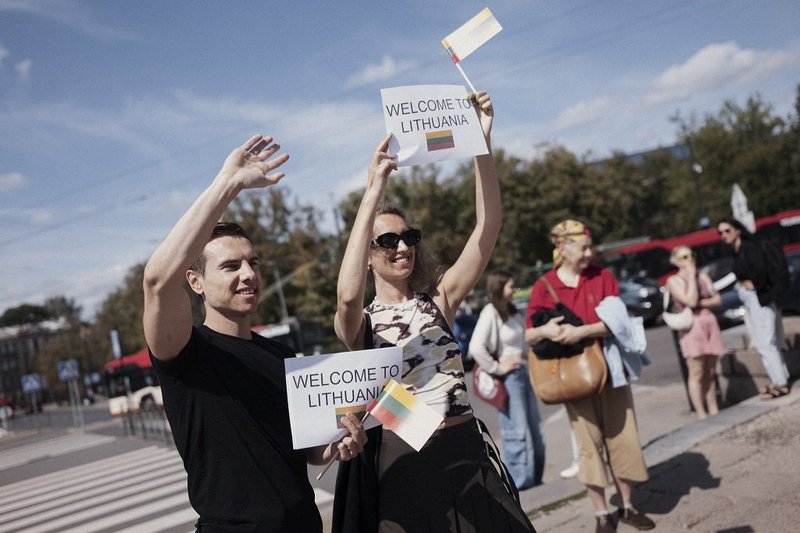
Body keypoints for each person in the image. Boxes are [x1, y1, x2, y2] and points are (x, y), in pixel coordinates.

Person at [142, 134, 366, 532]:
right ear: (195, 281)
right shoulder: (183, 352)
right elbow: (158, 281)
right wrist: (227, 184)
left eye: (254, 263)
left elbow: (310, 447)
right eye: (230, 267)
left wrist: (338, 444)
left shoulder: (280, 356)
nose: (249, 275)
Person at [334, 92, 536, 532]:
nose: (402, 246)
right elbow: (347, 298)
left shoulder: (438, 300)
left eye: (409, 237)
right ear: (368, 255)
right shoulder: (361, 324)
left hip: (466, 449)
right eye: (387, 240)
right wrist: (374, 191)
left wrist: (481, 141)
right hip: (407, 461)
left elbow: (489, 227)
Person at [525, 219, 655, 533]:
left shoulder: (603, 277)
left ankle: (627, 506)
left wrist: (580, 331)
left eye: (589, 247)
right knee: (588, 444)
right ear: (561, 248)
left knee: (622, 438)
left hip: (612, 371)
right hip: (573, 377)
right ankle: (600, 513)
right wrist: (549, 329)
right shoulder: (545, 286)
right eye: (582, 248)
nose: (588, 253)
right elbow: (529, 335)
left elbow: (618, 324)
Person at [469, 268, 546, 489]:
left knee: (535, 429)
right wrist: (498, 367)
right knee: (516, 430)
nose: (514, 290)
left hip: (524, 372)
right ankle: (519, 482)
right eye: (511, 286)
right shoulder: (490, 312)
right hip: (509, 377)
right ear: (499, 287)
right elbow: (476, 348)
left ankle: (535, 477)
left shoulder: (513, 312)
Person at [717, 217, 790, 399]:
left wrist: (755, 283)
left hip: (760, 299)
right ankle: (780, 379)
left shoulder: (749, 248)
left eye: (727, 231)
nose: (723, 235)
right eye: (720, 232)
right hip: (753, 301)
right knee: (766, 341)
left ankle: (780, 383)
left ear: (738, 230)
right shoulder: (739, 250)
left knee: (766, 343)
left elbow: (760, 269)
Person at [665, 246, 725, 419]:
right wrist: (691, 276)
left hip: (709, 322)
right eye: (684, 256)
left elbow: (718, 300)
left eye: (692, 255)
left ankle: (714, 409)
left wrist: (702, 303)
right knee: (696, 371)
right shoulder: (673, 281)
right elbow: (690, 301)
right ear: (675, 261)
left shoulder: (703, 276)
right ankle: (701, 412)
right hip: (691, 326)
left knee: (711, 370)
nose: (689, 259)